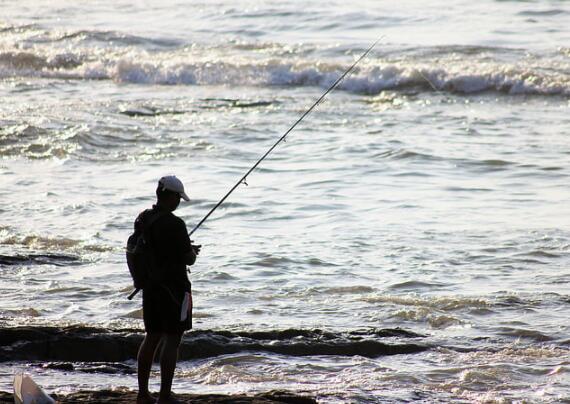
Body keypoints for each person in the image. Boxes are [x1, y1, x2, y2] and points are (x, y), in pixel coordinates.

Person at [135, 175, 200, 404]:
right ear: (170, 196)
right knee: (172, 340)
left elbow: (155, 248)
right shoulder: (175, 224)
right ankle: (164, 396)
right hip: (174, 290)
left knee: (151, 337)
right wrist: (191, 251)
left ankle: (142, 394)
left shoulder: (144, 218)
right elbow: (188, 259)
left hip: (151, 288)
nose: (179, 202)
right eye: (178, 198)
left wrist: (184, 247)